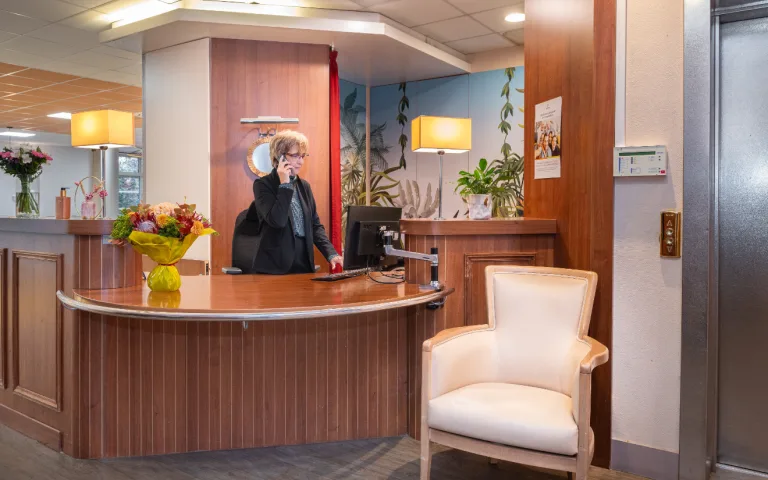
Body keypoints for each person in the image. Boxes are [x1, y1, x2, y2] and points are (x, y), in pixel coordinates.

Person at [236, 130, 342, 274]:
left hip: (304, 263)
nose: (301, 161)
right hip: (274, 268)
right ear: (280, 156)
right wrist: (285, 185)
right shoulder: (263, 185)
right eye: (295, 155)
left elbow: (315, 225)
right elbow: (277, 221)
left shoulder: (304, 186)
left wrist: (331, 254)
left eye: (303, 156)